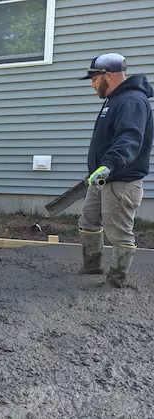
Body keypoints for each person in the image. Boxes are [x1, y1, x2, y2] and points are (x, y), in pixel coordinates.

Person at [77, 53, 153, 288]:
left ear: (108, 75)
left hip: (120, 181)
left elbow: (129, 139)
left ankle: (115, 281)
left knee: (119, 232)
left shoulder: (132, 101)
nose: (92, 84)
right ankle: (92, 268)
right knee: (88, 221)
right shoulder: (114, 99)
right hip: (102, 179)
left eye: (94, 78)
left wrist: (108, 165)